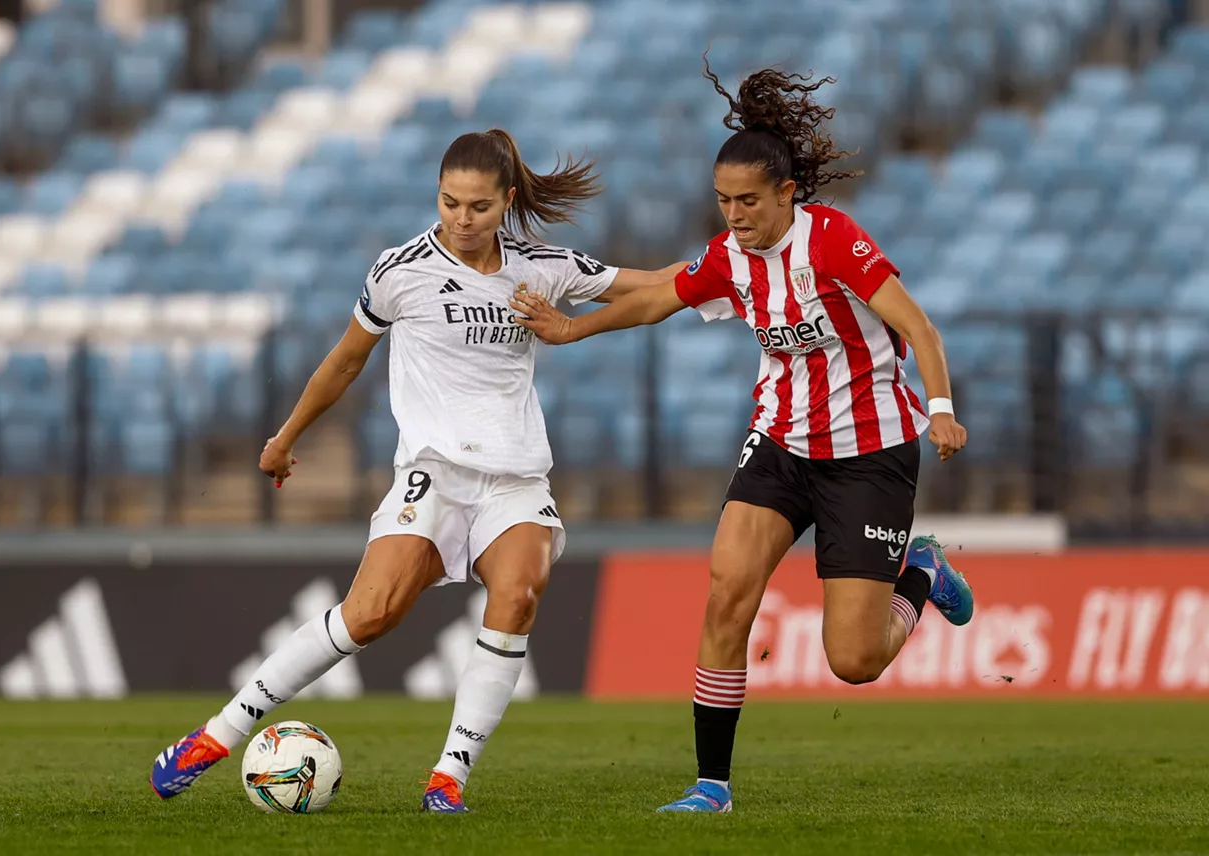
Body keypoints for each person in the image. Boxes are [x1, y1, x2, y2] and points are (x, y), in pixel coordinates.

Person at [148, 128, 686, 813]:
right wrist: (285, 436)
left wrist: (733, 270)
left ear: (507, 202)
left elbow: (655, 285)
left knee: (518, 596)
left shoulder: (542, 267)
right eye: (450, 201)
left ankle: (447, 779)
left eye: (479, 207)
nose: (462, 219)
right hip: (433, 472)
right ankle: (216, 735)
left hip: (516, 478)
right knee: (368, 615)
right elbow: (346, 359)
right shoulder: (399, 271)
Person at [511, 65, 975, 814]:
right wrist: (571, 328)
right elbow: (660, 296)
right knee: (727, 593)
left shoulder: (833, 241)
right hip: (783, 442)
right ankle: (712, 786)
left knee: (854, 661)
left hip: (870, 453)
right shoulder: (730, 257)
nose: (733, 215)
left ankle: (922, 574)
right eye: (723, 201)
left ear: (787, 193)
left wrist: (943, 407)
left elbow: (918, 325)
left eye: (748, 201)